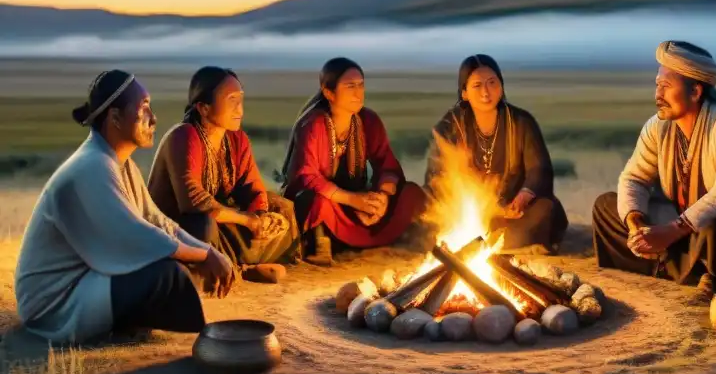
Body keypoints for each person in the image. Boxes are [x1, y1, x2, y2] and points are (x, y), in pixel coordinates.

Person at [14, 70, 234, 345]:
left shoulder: (122, 165)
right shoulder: (92, 167)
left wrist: (207, 250)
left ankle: (132, 317)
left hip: (91, 277)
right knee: (166, 275)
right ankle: (134, 321)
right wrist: (204, 256)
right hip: (56, 303)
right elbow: (137, 235)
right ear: (115, 118)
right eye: (143, 109)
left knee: (197, 234)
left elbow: (160, 223)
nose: (153, 119)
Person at [592, 41, 716, 299]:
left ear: (695, 92)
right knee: (606, 207)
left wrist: (671, 230)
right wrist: (637, 225)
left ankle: (702, 274)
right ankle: (674, 265)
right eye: (657, 85)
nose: (658, 95)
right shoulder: (657, 126)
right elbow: (634, 179)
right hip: (682, 228)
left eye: (666, 87)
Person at [148, 66, 299, 284]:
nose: (240, 109)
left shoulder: (237, 139)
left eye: (241, 100)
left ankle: (240, 263)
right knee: (204, 224)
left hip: (222, 221)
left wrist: (261, 218)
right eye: (231, 100)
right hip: (180, 229)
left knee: (283, 208)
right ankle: (225, 267)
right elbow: (194, 202)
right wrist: (248, 220)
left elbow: (253, 188)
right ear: (203, 108)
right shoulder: (183, 136)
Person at [280, 58, 427, 266]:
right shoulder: (313, 124)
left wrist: (381, 198)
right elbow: (307, 177)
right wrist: (352, 200)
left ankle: (391, 235)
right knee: (316, 201)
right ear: (329, 93)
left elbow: (387, 165)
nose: (358, 93)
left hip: (358, 205)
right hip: (331, 205)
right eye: (350, 87)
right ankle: (320, 242)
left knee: (410, 193)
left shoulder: (369, 120)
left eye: (361, 85)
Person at [425, 54, 568, 253]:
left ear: (501, 85)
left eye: (492, 83)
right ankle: (492, 240)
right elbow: (435, 177)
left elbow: (539, 169)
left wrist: (523, 197)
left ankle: (494, 241)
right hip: (469, 210)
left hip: (514, 212)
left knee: (544, 208)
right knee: (425, 212)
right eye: (477, 85)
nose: (486, 92)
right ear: (464, 92)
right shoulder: (450, 127)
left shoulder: (521, 122)